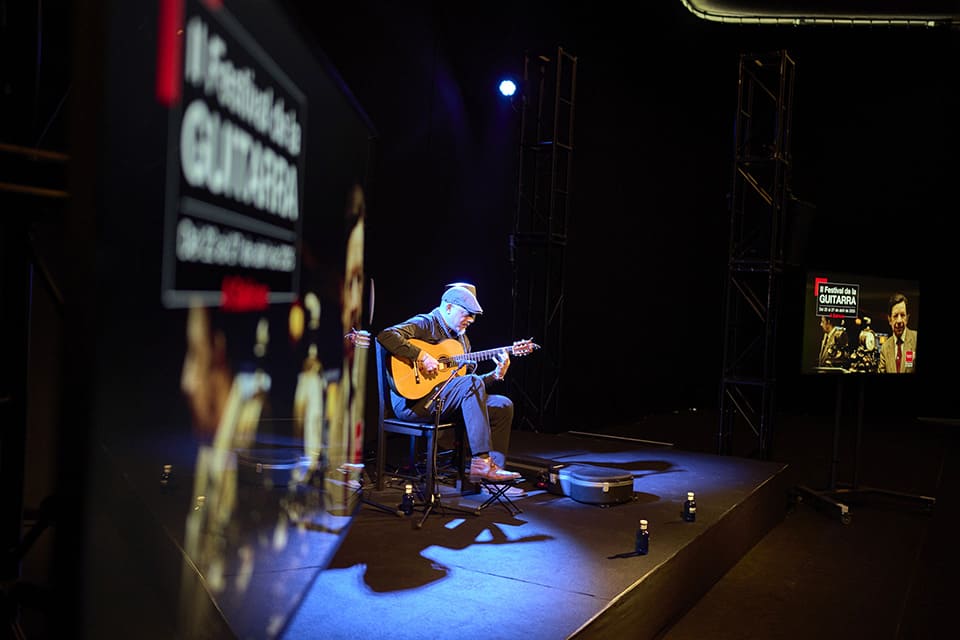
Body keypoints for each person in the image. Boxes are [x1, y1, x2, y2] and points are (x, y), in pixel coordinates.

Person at [376, 282, 522, 487]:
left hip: (445, 403)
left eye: (474, 316)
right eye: (467, 313)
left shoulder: (462, 342)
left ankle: (492, 477)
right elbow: (386, 335)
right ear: (449, 307)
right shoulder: (426, 323)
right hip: (414, 404)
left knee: (502, 405)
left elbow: (470, 388)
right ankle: (481, 461)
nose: (471, 320)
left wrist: (495, 375)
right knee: (470, 383)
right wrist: (421, 355)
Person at [878, 292, 917, 374]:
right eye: (895, 316)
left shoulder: (916, 339)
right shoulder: (884, 348)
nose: (899, 320)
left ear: (907, 318)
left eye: (902, 315)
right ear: (889, 320)